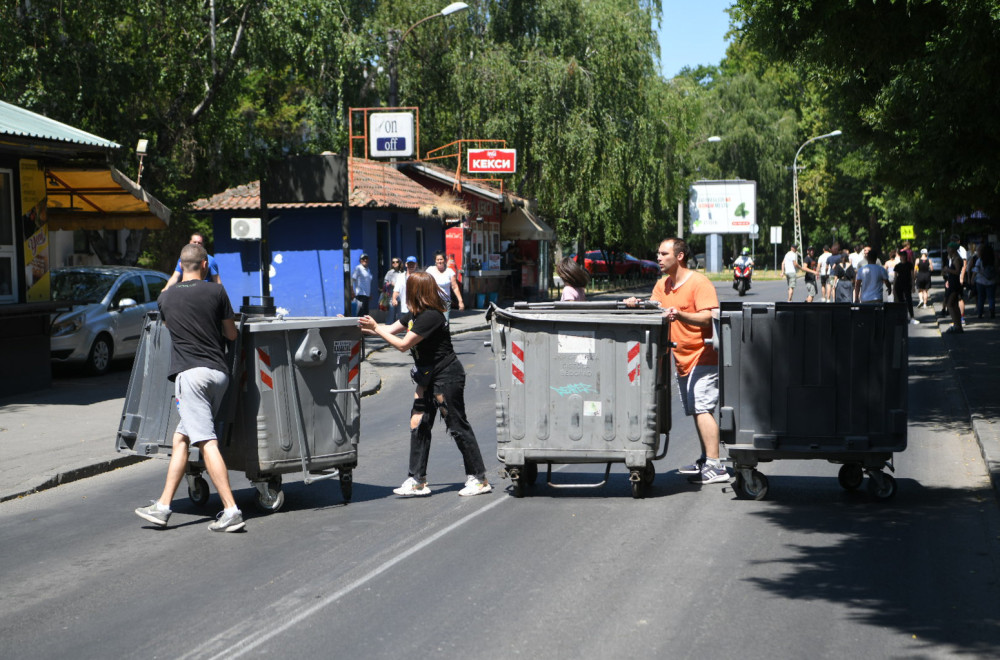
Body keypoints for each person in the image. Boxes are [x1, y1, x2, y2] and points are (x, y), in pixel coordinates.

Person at [134, 243, 244, 532]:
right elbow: (231, 334)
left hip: (190, 377)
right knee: (181, 437)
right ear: (205, 265)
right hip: (218, 375)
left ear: (181, 266)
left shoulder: (165, 299)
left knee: (206, 441)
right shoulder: (216, 292)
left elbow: (172, 326)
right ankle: (163, 506)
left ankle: (231, 510)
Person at [358, 271, 492, 497]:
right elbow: (388, 330)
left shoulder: (432, 316)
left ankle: (479, 478)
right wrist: (350, 325)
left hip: (446, 376)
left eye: (408, 289)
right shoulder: (415, 314)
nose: (404, 294)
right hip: (427, 376)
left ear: (416, 291)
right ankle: (417, 480)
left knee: (457, 425)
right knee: (419, 423)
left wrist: (375, 327)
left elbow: (402, 345)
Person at [625, 238, 727, 485]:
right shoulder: (663, 285)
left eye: (663, 253)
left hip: (703, 355)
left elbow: (708, 317)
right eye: (658, 253)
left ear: (679, 256)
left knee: (702, 407)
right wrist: (636, 305)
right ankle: (706, 459)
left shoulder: (698, 283)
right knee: (695, 409)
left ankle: (716, 465)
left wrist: (681, 314)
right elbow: (654, 308)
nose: (658, 258)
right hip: (681, 358)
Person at [427, 250, 465, 319]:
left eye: (441, 259)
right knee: (433, 323)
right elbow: (424, 284)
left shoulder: (449, 272)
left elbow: (455, 287)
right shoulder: (430, 270)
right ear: (435, 261)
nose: (439, 261)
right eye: (437, 260)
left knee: (445, 323)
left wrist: (460, 301)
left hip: (445, 302)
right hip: (432, 302)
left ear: (444, 260)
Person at [942, 241, 965, 333]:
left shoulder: (957, 259)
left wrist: (948, 270)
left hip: (955, 285)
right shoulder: (954, 258)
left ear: (952, 249)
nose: (947, 250)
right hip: (952, 283)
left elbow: (957, 271)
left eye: (948, 248)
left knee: (950, 304)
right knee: (954, 305)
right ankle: (958, 325)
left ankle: (956, 325)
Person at [893, 248, 918, 324]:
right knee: (901, 301)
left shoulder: (909, 265)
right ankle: (903, 317)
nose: (903, 257)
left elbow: (912, 276)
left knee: (909, 300)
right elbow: (895, 277)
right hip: (899, 284)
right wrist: (893, 288)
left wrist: (913, 286)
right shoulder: (897, 266)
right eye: (901, 256)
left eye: (904, 256)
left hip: (907, 284)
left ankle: (912, 317)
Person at [972, 243, 996, 319]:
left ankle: (980, 313)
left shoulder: (980, 260)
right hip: (991, 281)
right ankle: (992, 310)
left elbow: (976, 270)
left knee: (981, 298)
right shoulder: (993, 260)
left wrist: (972, 279)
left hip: (980, 281)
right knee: (991, 297)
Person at [382, 257, 404, 324]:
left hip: (401, 296)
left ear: (399, 263)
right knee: (391, 312)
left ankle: (400, 327)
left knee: (400, 313)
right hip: (392, 295)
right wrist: (390, 284)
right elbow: (384, 283)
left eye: (396, 262)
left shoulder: (402, 273)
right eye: (393, 262)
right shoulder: (389, 273)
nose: (395, 263)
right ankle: (389, 325)